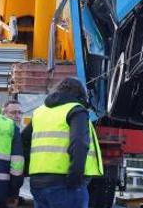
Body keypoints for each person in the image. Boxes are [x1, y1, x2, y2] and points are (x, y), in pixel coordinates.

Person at [22, 77, 103, 208]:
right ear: (80, 95)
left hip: (38, 185)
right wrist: (75, 178)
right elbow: (79, 143)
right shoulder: (76, 110)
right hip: (65, 184)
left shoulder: (39, 112)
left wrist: (27, 170)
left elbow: (24, 140)